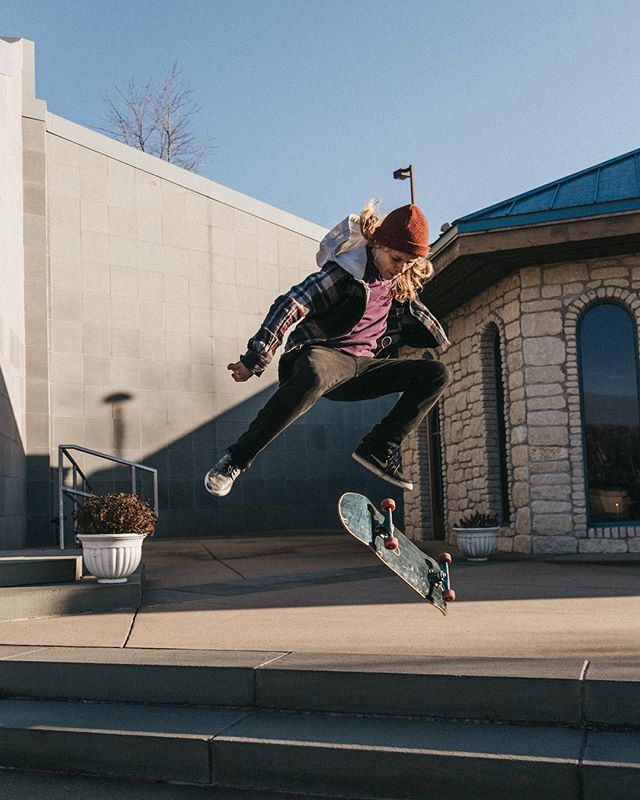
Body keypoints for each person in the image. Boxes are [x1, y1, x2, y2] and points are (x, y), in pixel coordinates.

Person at [204, 200, 451, 497]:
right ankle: (235, 460)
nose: (399, 269)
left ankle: (378, 448)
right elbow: (291, 303)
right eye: (396, 259)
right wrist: (256, 357)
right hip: (323, 355)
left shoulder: (399, 282)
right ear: (379, 245)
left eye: (408, 263)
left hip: (360, 368)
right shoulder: (346, 272)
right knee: (316, 375)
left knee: (436, 374)